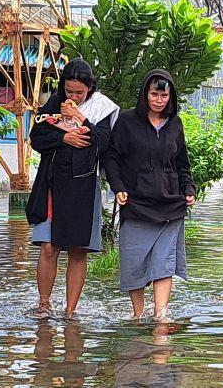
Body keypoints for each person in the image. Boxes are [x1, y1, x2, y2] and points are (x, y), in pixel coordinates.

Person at [25, 58, 120, 319]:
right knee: (48, 245)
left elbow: (101, 145)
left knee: (79, 250)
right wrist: (63, 136)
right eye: (69, 91)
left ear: (90, 88)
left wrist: (81, 119)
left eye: (80, 92)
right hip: (52, 183)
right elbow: (37, 139)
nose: (74, 97)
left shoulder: (102, 108)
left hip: (83, 185)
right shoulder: (54, 105)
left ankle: (70, 311)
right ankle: (44, 304)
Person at [103, 69, 194, 322]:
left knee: (164, 261)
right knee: (134, 261)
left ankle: (161, 314)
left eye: (164, 95)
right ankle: (138, 314)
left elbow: (182, 162)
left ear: (170, 97)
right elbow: (111, 156)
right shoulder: (127, 121)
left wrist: (188, 188)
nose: (159, 100)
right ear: (145, 94)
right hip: (135, 202)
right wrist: (118, 186)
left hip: (170, 204)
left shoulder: (175, 123)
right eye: (154, 94)